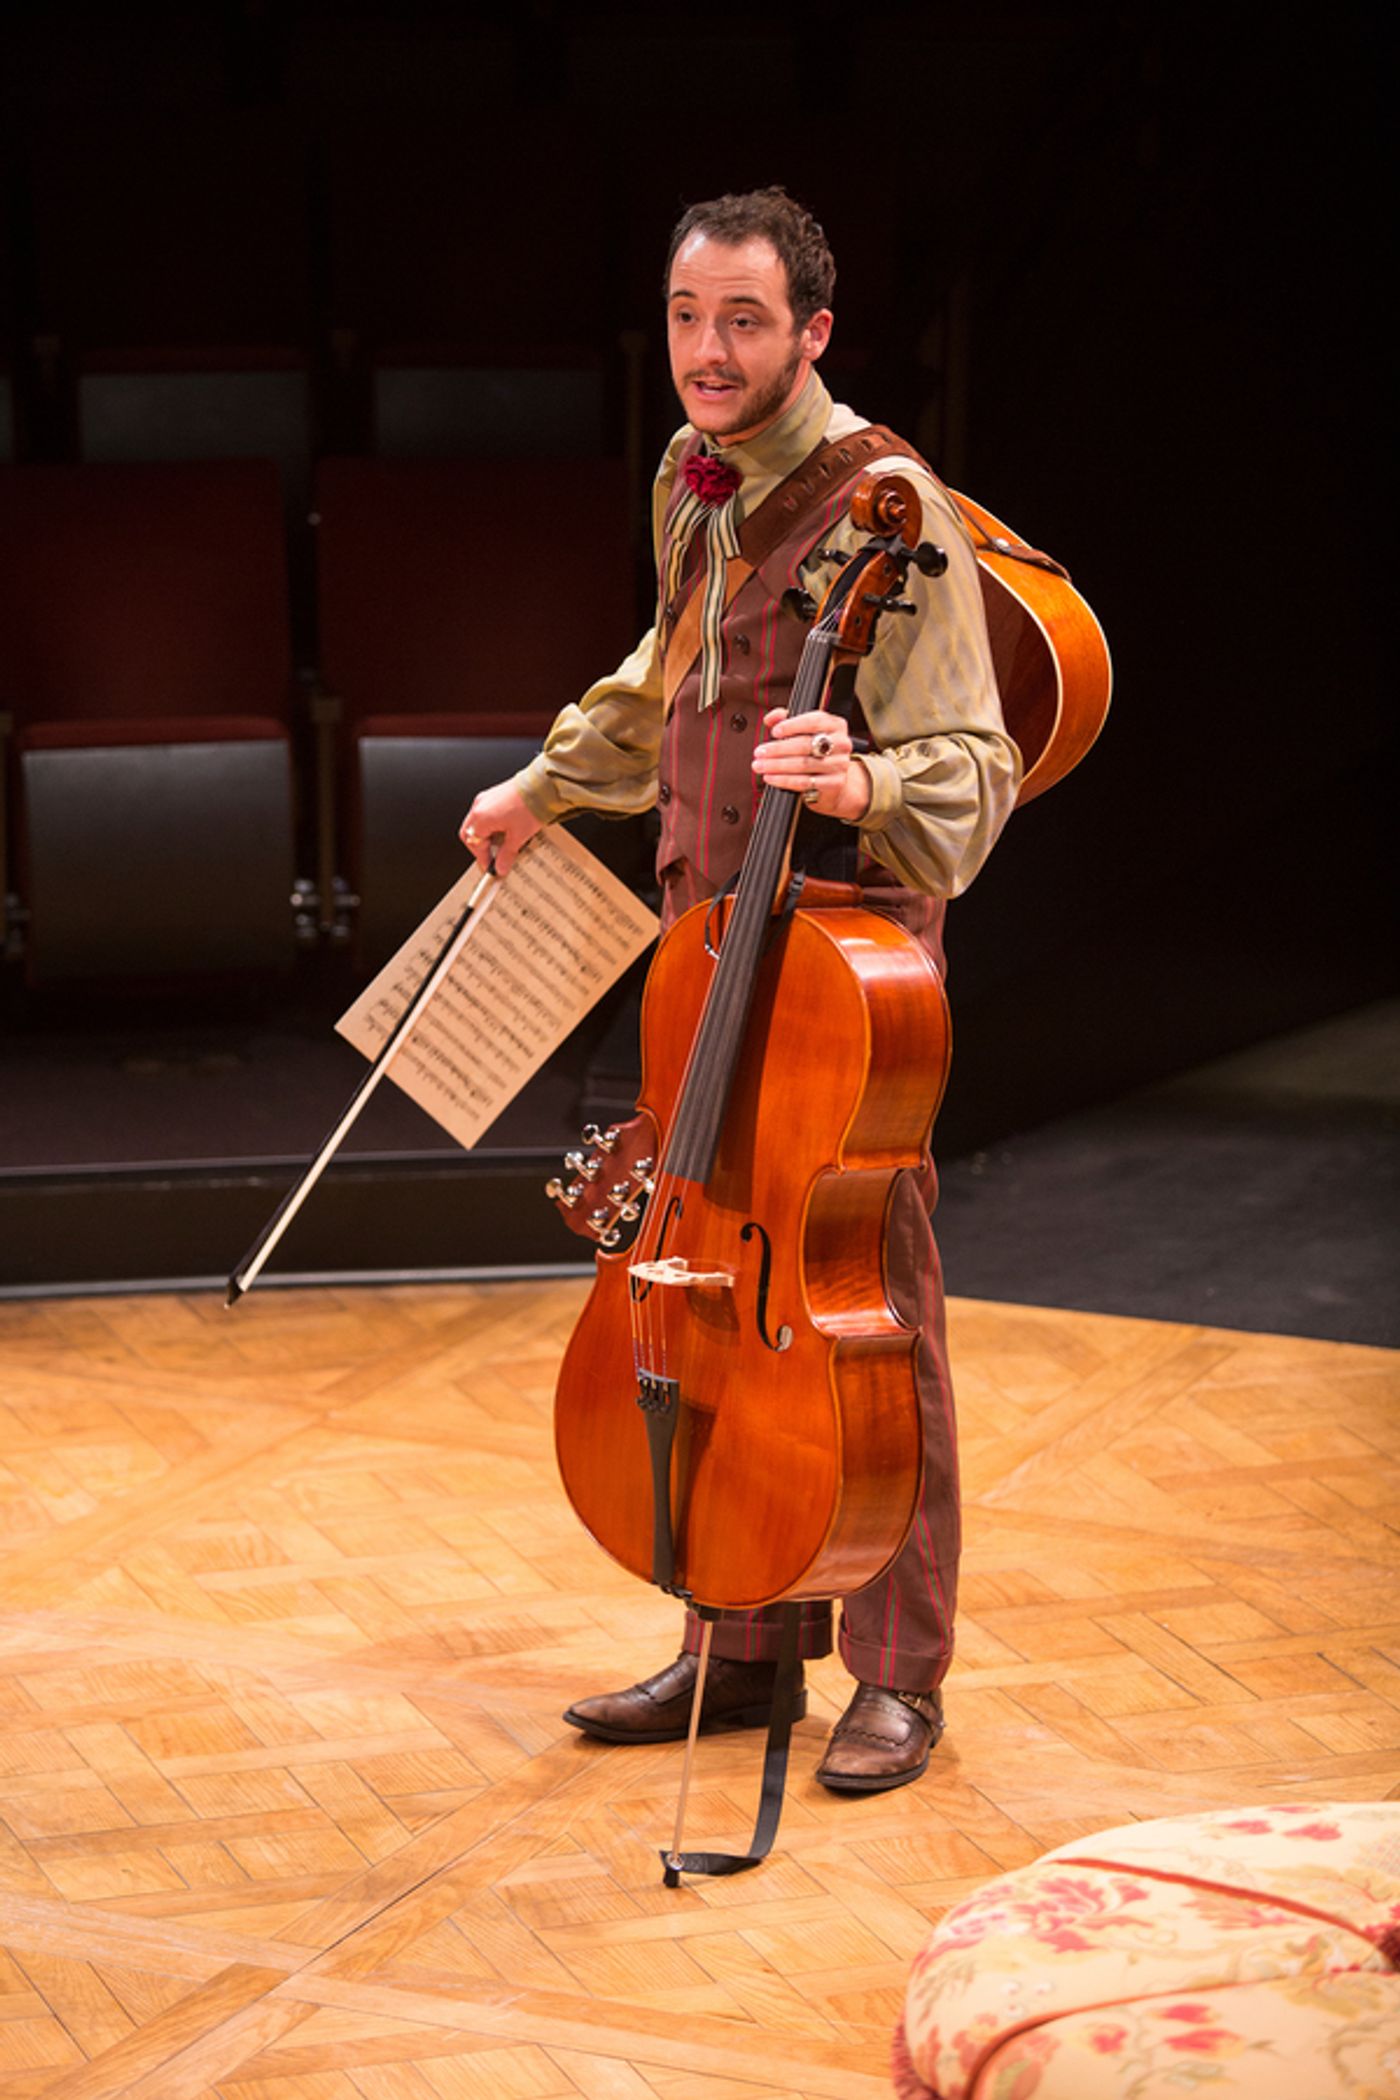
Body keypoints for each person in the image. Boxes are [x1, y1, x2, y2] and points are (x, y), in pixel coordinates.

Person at [461, 186, 1020, 1792]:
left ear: (813, 333)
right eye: (689, 318)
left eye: (746, 321)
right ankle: (734, 1640)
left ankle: (899, 1673)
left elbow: (970, 772)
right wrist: (545, 787)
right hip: (709, 931)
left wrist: (857, 778)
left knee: (867, 1304)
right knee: (709, 1265)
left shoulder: (890, 508)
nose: (709, 349)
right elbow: (664, 674)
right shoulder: (689, 482)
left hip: (845, 962)